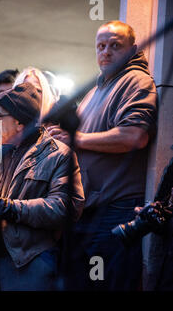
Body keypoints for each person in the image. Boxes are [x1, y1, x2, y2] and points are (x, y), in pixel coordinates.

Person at [47, 20, 158, 290]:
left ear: (133, 49)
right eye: (101, 46)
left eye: (115, 45)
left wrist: (76, 139)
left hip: (115, 209)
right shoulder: (95, 90)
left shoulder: (137, 81)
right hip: (88, 209)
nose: (106, 51)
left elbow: (134, 136)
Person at [0, 83, 84, 291]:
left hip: (30, 264)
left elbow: (67, 206)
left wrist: (12, 209)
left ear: (20, 122)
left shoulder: (57, 155)